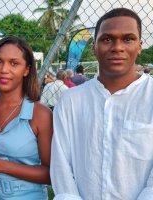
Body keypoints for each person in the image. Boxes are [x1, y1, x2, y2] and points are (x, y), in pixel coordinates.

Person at [51, 8, 153, 200]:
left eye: (128, 39)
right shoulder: (70, 101)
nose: (117, 47)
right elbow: (61, 167)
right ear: (94, 48)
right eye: (107, 39)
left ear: (139, 46)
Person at [0, 37, 52, 199]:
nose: (4, 69)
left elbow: (52, 174)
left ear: (27, 70)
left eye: (14, 63)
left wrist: (0, 165)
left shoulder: (40, 114)